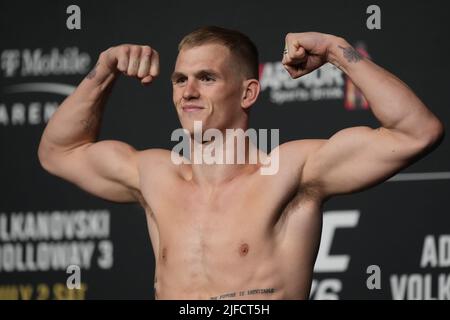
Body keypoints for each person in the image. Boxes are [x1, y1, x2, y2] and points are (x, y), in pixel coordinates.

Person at [37, 26, 444, 299]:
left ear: (248, 93)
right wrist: (104, 69)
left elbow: (417, 132)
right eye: (180, 80)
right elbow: (59, 152)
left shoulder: (289, 173)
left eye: (206, 78)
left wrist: (337, 50)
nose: (188, 92)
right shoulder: (154, 175)